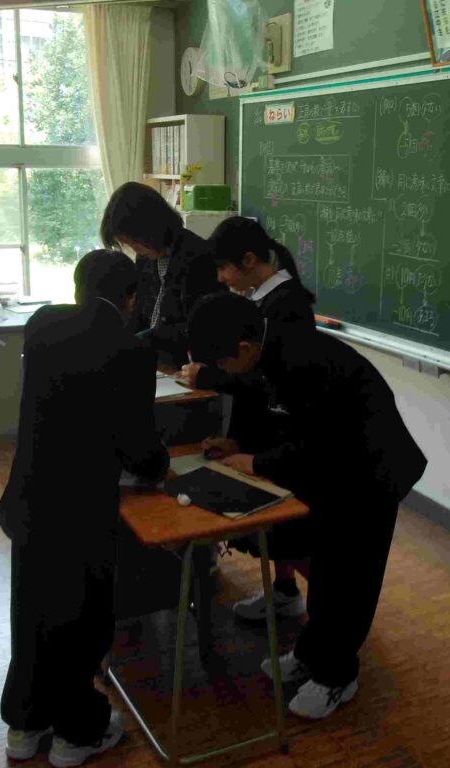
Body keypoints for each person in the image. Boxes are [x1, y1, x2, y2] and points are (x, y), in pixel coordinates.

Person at [186, 293, 428, 720]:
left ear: (243, 347)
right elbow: (279, 418)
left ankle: (337, 677)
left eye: (223, 363)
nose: (224, 372)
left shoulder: (304, 361)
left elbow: (319, 443)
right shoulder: (270, 349)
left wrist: (256, 462)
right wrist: (239, 444)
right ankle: (311, 654)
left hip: (370, 473)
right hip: (338, 468)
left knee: (349, 577)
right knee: (328, 569)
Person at [0, 250, 170, 767]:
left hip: (30, 498)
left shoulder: (42, 324)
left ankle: (25, 725)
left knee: (32, 613)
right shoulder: (130, 350)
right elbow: (138, 444)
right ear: (131, 299)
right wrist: (160, 467)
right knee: (80, 620)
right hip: (82, 507)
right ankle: (78, 734)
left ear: (77, 287)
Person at [174, 217, 317, 622]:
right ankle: (285, 591)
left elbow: (265, 383)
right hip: (266, 429)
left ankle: (331, 616)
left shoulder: (287, 307)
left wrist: (212, 377)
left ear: (249, 260)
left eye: (224, 268)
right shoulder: (260, 300)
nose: (220, 279)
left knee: (288, 531)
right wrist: (238, 441)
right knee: (275, 531)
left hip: (285, 434)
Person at [100, 181, 223, 368]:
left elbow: (202, 326)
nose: (134, 249)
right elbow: (140, 310)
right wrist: (123, 342)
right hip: (156, 362)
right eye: (127, 244)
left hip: (189, 366)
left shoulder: (199, 257)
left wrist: (150, 337)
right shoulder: (146, 258)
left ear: (150, 228)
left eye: (134, 241)